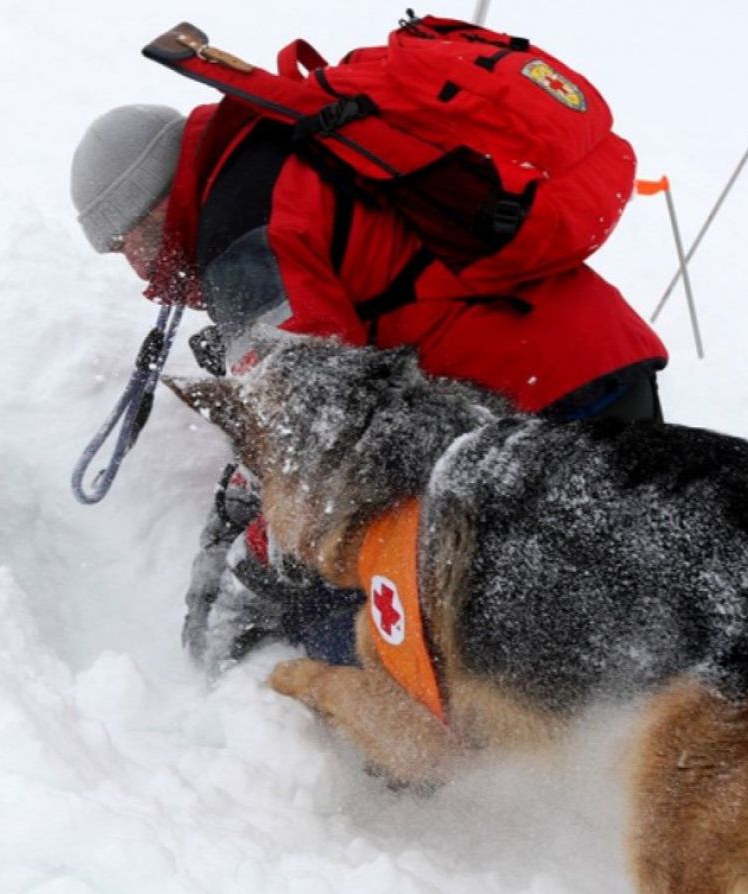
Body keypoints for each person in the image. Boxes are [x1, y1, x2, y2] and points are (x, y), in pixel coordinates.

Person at [71, 99, 668, 671]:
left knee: (337, 619)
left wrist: (245, 586)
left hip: (527, 415)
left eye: (137, 247)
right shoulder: (280, 153)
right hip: (592, 363)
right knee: (637, 619)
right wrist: (242, 499)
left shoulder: (245, 242)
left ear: (160, 206)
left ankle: (401, 772)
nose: (147, 275)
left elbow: (311, 452)